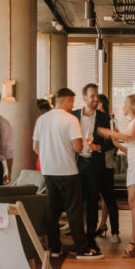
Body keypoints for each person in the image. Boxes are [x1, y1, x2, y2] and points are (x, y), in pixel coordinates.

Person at [32, 88, 98, 260]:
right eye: (72, 101)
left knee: (52, 210)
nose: (73, 105)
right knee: (74, 211)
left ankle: (54, 248)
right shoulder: (71, 119)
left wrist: (49, 156)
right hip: (68, 170)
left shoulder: (42, 120)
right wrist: (81, 144)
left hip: (48, 171)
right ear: (68, 100)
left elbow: (35, 147)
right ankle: (82, 249)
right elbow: (77, 146)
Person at [101, 94, 135, 255]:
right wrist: (115, 142)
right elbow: (130, 148)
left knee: (133, 203)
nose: (122, 107)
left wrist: (110, 133)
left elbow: (129, 137)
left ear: (133, 104)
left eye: (125, 103)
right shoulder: (133, 120)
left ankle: (133, 241)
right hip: (134, 163)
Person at [78, 84, 118, 246]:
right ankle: (79, 236)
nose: (96, 99)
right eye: (93, 96)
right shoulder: (74, 116)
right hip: (78, 164)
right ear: (84, 98)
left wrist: (99, 147)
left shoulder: (104, 118)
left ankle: (90, 239)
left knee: (93, 202)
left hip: (96, 164)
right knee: (78, 202)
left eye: (97, 96)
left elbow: (110, 144)